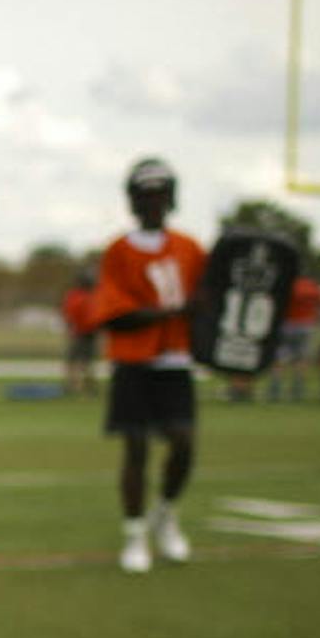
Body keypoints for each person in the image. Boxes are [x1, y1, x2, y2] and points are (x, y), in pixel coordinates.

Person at [90, 158, 206, 574]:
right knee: (135, 447)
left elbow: (208, 302)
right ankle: (135, 532)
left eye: (161, 194)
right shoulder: (119, 251)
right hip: (133, 362)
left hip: (175, 362)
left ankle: (165, 512)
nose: (154, 203)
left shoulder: (190, 248)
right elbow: (115, 313)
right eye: (146, 195)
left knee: (184, 442)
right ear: (133, 201)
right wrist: (172, 312)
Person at [272, 271, 320, 403]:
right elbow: (319, 304)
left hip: (287, 324)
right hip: (306, 325)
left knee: (279, 357)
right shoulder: (312, 286)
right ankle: (297, 390)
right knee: (300, 359)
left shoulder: (287, 284)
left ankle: (275, 390)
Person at [59, 265, 99, 398]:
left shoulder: (81, 296)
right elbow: (70, 313)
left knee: (80, 361)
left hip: (84, 333)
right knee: (81, 361)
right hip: (82, 332)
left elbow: (69, 313)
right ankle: (78, 386)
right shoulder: (83, 296)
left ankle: (80, 386)